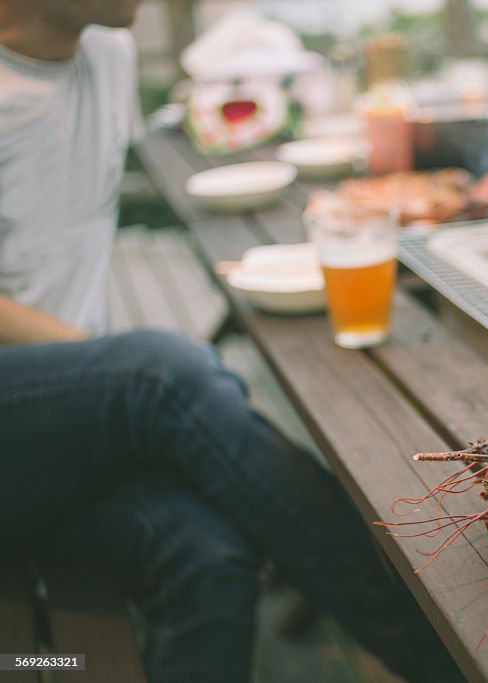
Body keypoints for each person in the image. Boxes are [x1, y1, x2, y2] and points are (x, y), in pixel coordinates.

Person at [0, 1, 459, 681]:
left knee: (208, 553)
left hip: (57, 440)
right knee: (159, 375)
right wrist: (106, 375)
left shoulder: (108, 55)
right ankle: (448, 656)